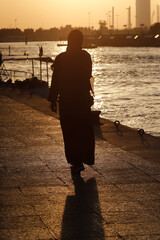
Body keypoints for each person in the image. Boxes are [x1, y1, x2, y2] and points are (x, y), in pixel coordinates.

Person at [48, 30, 95, 174]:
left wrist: (52, 99)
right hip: (81, 100)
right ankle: (84, 158)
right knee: (83, 130)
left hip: (67, 100)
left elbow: (55, 80)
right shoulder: (85, 56)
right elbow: (88, 76)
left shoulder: (61, 58)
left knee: (69, 132)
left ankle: (76, 161)